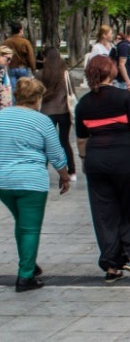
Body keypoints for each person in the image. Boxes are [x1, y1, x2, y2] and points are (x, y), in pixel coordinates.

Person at [75, 56, 130, 280]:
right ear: (111, 72)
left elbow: (81, 140)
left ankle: (111, 265)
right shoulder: (124, 97)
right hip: (126, 159)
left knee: (104, 214)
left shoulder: (84, 103)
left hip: (96, 161)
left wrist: (84, 160)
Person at [0, 78, 70, 292]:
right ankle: (25, 276)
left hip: (3, 181)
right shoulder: (42, 121)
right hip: (31, 181)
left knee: (21, 222)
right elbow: (56, 154)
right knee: (30, 228)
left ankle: (28, 261)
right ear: (37, 99)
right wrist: (64, 176)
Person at [37, 48, 79, 181]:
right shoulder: (66, 75)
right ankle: (71, 171)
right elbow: (72, 93)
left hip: (45, 113)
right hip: (64, 112)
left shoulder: (40, 75)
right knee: (64, 141)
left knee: (44, 143)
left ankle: (42, 171)